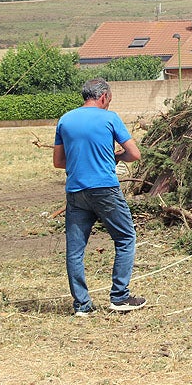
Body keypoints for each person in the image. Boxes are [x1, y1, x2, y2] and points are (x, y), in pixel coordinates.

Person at [53, 77, 145, 316]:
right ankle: (119, 297)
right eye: (109, 100)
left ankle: (82, 305)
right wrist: (114, 157)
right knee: (125, 238)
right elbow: (134, 154)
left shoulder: (65, 120)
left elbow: (58, 162)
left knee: (75, 250)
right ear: (104, 97)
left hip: (75, 191)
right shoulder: (110, 118)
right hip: (105, 189)